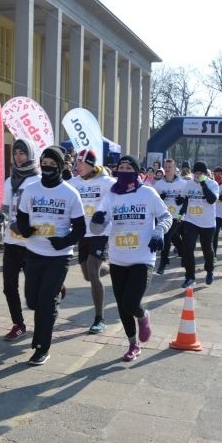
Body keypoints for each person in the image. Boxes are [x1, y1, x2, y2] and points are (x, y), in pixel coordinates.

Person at [91, 155, 172, 361]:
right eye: (121, 167)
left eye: (128, 167)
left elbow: (166, 217)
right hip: (118, 258)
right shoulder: (111, 195)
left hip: (143, 257)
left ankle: (143, 315)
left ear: (136, 171)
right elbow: (97, 226)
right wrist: (97, 221)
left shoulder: (147, 193)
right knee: (121, 305)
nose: (124, 170)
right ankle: (133, 344)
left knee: (130, 303)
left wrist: (159, 231)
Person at [16, 146, 85, 365]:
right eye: (44, 164)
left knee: (45, 306)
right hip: (33, 253)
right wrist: (24, 228)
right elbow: (22, 217)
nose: (47, 168)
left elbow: (81, 228)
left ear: (60, 166)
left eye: (52, 164)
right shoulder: (31, 190)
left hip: (59, 256)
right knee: (33, 301)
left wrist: (63, 242)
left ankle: (41, 347)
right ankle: (56, 293)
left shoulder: (70, 193)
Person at [0, 139, 41, 341]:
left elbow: (41, 213)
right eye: (15, 153)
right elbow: (7, 206)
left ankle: (56, 286)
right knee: (9, 286)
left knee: (35, 287)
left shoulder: (38, 181)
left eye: (22, 153)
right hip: (11, 242)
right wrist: (0, 216)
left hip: (31, 243)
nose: (18, 156)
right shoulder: (9, 181)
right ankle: (19, 324)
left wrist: (27, 227)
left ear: (30, 155)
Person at [70, 149, 115, 334]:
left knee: (92, 272)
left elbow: (124, 192)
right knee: (88, 275)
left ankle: (99, 318)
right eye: (76, 162)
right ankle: (111, 267)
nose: (76, 166)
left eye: (80, 163)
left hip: (100, 233)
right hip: (82, 234)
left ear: (90, 164)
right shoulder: (73, 183)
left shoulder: (107, 182)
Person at [177, 161, 219, 288]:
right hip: (191, 221)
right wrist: (180, 208)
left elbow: (212, 200)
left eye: (200, 173)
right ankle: (190, 276)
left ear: (205, 174)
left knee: (207, 249)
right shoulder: (188, 184)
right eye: (196, 173)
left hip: (208, 222)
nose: (197, 175)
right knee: (187, 247)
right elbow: (185, 199)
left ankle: (210, 271)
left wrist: (203, 184)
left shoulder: (212, 184)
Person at [152, 158, 184, 275]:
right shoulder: (159, 184)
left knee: (166, 237)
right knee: (175, 238)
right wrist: (161, 197)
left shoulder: (182, 183)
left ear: (175, 169)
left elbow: (187, 198)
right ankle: (184, 254)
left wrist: (182, 199)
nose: (168, 169)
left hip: (177, 216)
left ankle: (163, 263)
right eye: (166, 167)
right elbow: (154, 199)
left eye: (170, 167)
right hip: (164, 215)